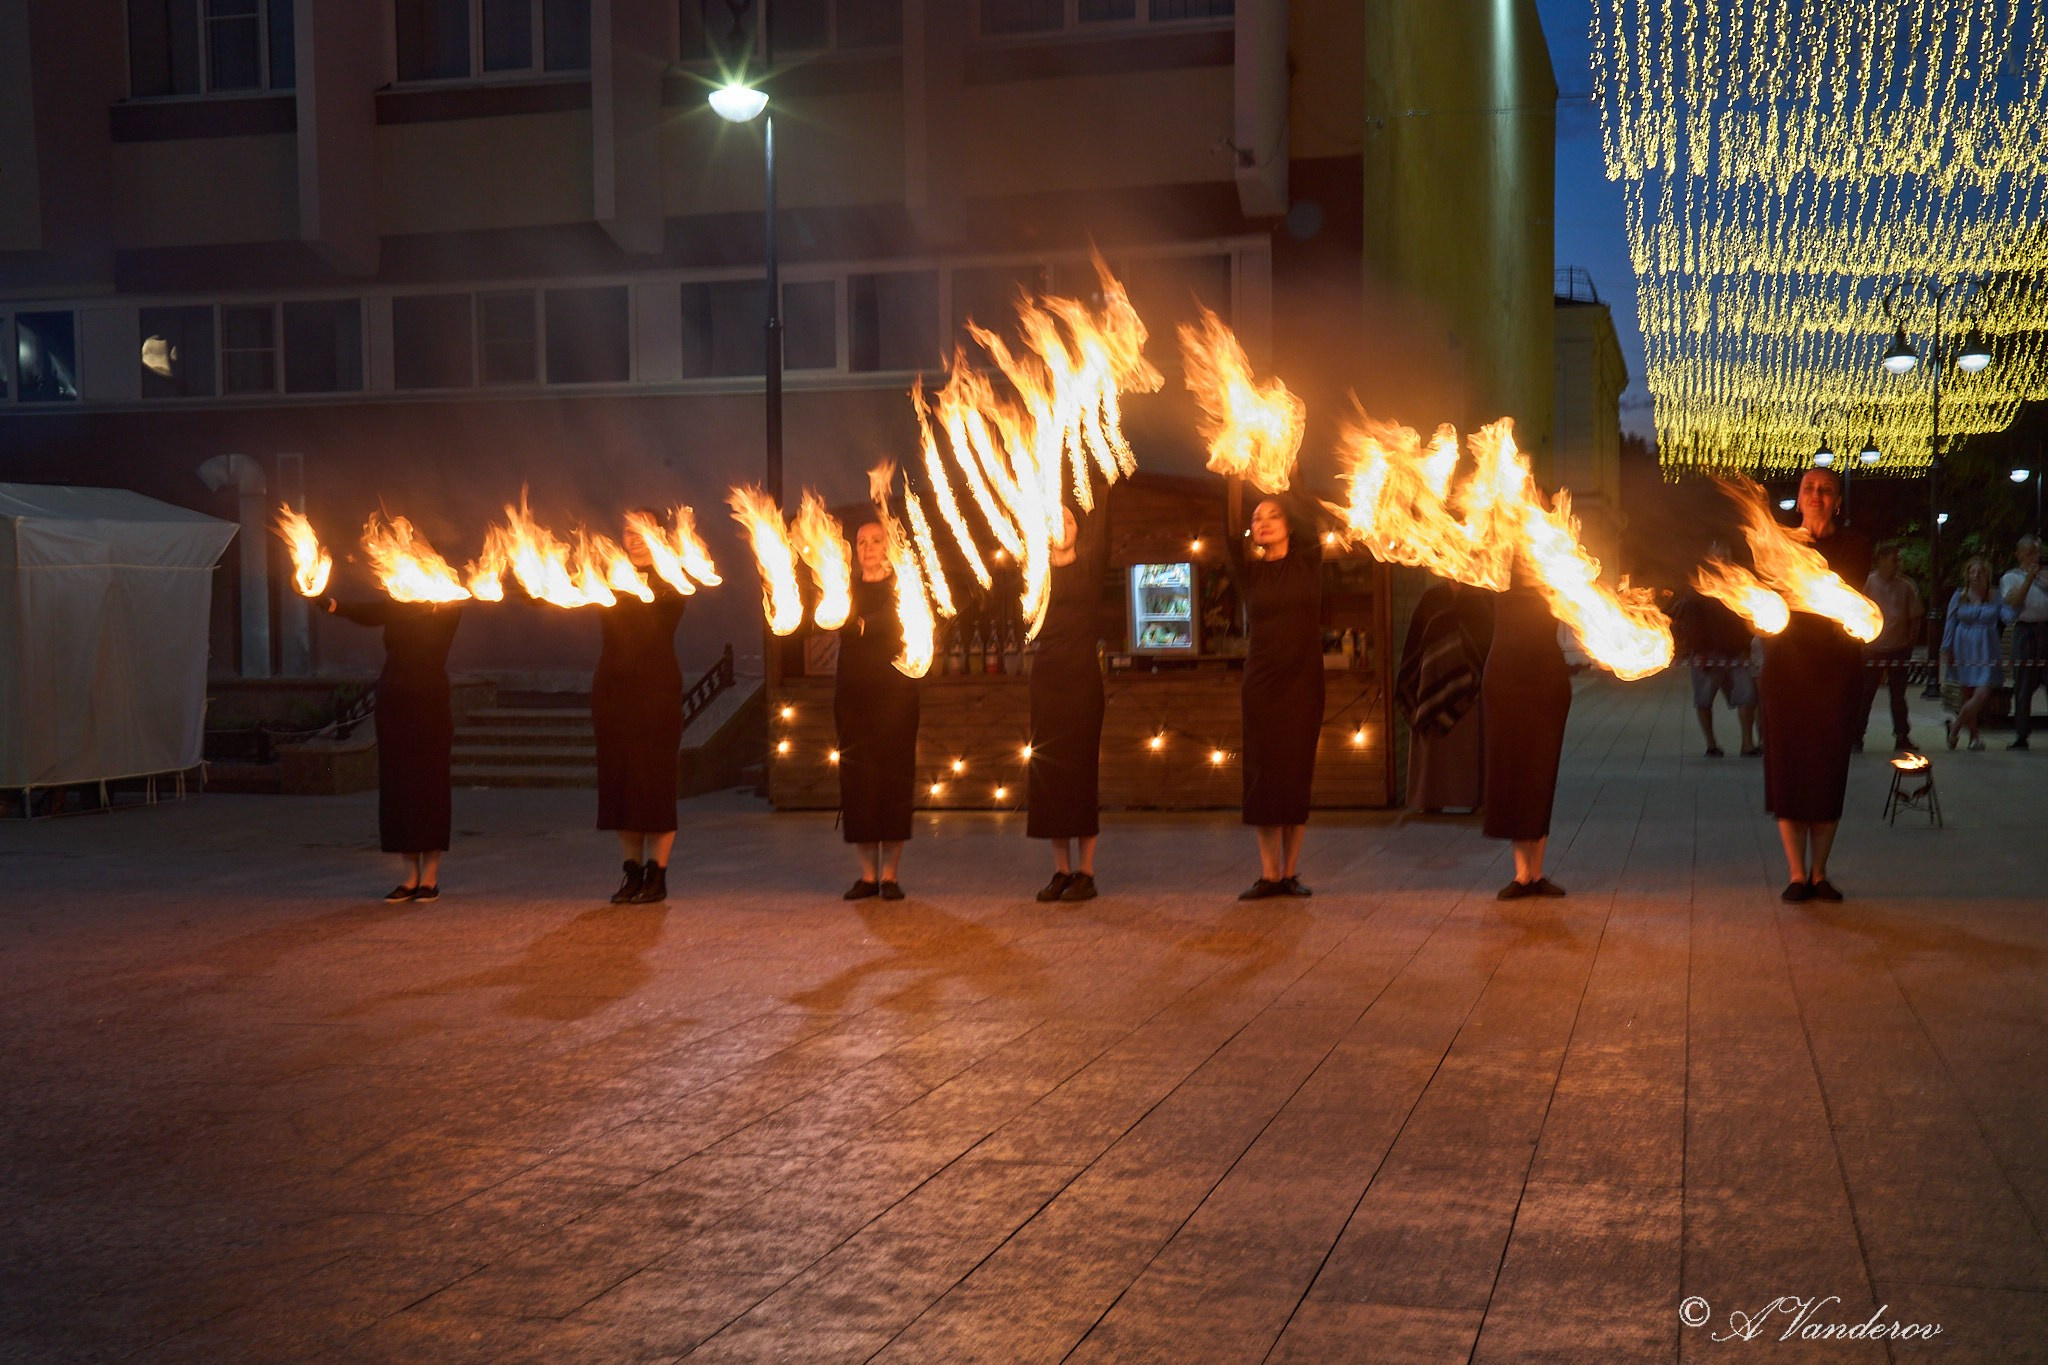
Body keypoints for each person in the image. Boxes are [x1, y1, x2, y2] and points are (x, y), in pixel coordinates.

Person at [1759, 466, 1870, 903]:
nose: (1817, 495)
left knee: (1826, 770)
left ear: (1837, 500)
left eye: (1826, 489)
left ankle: (1820, 873)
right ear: (1799, 499)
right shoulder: (1780, 544)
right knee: (1788, 769)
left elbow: (1843, 592)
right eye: (1809, 488)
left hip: (1835, 670)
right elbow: (1770, 593)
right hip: (1786, 670)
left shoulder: (1854, 546)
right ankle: (1794, 873)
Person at [327, 590, 463, 901]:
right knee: (399, 785)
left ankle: (430, 876)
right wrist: (330, 603)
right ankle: (409, 877)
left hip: (430, 703)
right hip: (394, 702)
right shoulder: (398, 601)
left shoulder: (446, 603)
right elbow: (364, 612)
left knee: (430, 784)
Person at [1222, 487, 1323, 899]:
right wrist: (1233, 474)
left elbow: (1308, 507)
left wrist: (1289, 466)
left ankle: (1291, 873)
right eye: (1257, 517)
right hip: (1262, 686)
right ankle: (1269, 874)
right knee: (1264, 779)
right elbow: (1228, 531)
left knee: (1295, 777)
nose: (1261, 522)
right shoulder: (1249, 573)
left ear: (1289, 526)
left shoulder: (1309, 561)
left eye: (1272, 516)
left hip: (1303, 685)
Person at [593, 515, 687, 905]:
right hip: (613, 691)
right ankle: (631, 873)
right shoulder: (605, 575)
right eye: (629, 530)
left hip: (656, 689)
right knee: (621, 783)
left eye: (643, 530)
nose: (635, 538)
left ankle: (657, 874)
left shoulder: (674, 577)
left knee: (653, 783)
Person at [1027, 502, 1110, 902]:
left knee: (1080, 772)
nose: (1061, 523)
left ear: (1080, 529)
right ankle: (1060, 870)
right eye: (1053, 516)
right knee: (1050, 775)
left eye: (1069, 518)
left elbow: (1104, 516)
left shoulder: (1091, 567)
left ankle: (1086, 873)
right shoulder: (1036, 578)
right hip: (1046, 681)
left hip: (1081, 681)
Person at [835, 521, 920, 900]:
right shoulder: (842, 588)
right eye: (861, 541)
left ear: (890, 546)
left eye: (876, 540)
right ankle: (868, 876)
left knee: (893, 778)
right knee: (859, 783)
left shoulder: (904, 586)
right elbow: (832, 621)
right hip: (853, 697)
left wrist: (863, 623)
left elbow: (892, 620)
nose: (868, 547)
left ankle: (891, 875)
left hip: (896, 697)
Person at [1482, 564, 1572, 899]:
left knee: (1540, 773)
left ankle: (1537, 872)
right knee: (1511, 771)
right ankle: (1521, 874)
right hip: (1505, 677)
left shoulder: (1555, 560)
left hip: (1546, 678)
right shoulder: (1497, 567)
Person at [1395, 579, 1493, 812]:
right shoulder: (1432, 598)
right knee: (1434, 746)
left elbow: (1488, 642)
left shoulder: (1481, 597)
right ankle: (1431, 798)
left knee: (1469, 744)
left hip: (1471, 692)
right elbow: (1416, 643)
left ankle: (1473, 799)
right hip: (1431, 685)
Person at [1674, 538, 1760, 757]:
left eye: (1726, 556)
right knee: (1704, 700)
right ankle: (1711, 744)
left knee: (1748, 696)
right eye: (1718, 556)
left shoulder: (1740, 583)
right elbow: (1692, 621)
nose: (1722, 560)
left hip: (1736, 652)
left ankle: (1747, 744)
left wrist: (1748, 646)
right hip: (1707, 653)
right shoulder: (1699, 585)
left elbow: (1748, 617)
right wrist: (1698, 650)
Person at [1856, 541, 1924, 753]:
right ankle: (1856, 736)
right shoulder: (1867, 584)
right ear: (1881, 560)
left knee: (1898, 696)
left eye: (1898, 560)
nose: (1898, 564)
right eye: (1894, 560)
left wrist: (1909, 644)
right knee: (1865, 695)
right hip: (1873, 649)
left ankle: (1902, 736)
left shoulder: (1906, 586)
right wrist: (1861, 643)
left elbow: (1915, 617)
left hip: (1897, 649)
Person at [1941, 556, 2008, 751]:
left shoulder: (1995, 596)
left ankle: (1954, 728)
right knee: (1967, 693)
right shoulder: (1959, 595)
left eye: (1980, 572)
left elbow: (2007, 615)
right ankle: (1974, 737)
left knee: (1982, 692)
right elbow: (1950, 622)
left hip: (1987, 648)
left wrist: (2018, 601)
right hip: (1963, 647)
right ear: (1967, 575)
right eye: (1972, 572)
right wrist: (1947, 648)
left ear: (1987, 575)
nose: (1976, 576)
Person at [2001, 533, 2048, 750]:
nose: (2035, 557)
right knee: (2023, 684)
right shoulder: (2011, 577)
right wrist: (2029, 579)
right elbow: (2014, 602)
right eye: (2030, 553)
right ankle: (2022, 734)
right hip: (2025, 631)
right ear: (2019, 554)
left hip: (2045, 629)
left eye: (2037, 553)